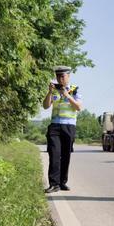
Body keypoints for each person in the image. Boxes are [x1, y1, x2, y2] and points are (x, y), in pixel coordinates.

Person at [42, 65, 82, 193]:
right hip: (54, 127)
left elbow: (78, 107)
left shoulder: (75, 90)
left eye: (63, 76)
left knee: (65, 155)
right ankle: (54, 184)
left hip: (69, 127)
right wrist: (49, 92)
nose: (60, 79)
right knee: (54, 154)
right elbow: (45, 106)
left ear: (68, 76)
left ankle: (62, 182)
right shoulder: (53, 91)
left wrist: (67, 95)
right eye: (58, 76)